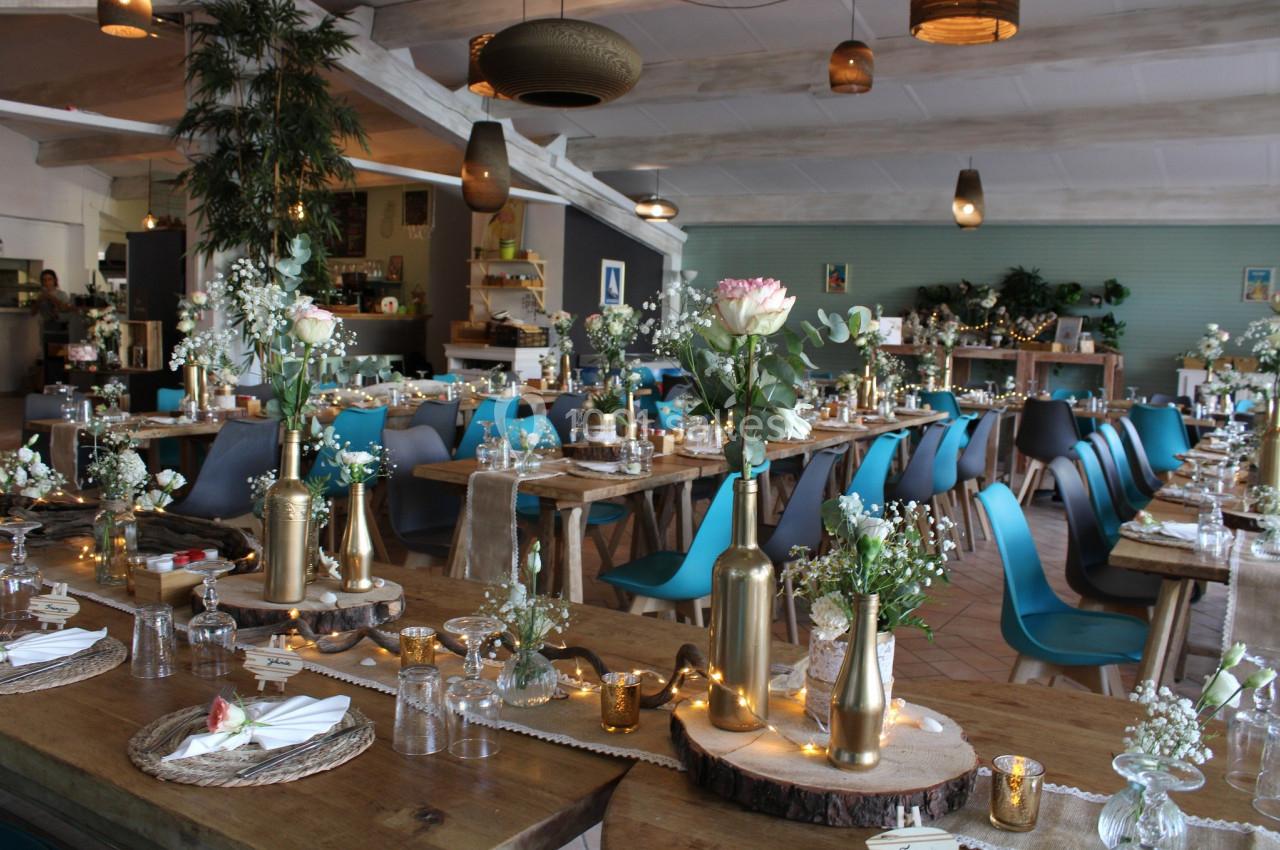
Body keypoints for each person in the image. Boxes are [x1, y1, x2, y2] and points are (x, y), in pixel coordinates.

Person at [30, 269, 70, 385]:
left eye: (49, 279)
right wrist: (39, 300)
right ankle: (47, 384)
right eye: (44, 280)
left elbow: (65, 308)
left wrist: (51, 297)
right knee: (47, 357)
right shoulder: (40, 295)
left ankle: (61, 383)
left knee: (60, 357)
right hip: (47, 329)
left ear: (54, 280)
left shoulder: (61, 294)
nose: (47, 282)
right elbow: (32, 312)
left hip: (60, 329)